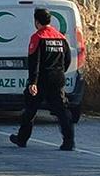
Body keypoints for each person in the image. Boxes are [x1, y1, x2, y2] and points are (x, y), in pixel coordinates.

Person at [10, 8, 75, 151]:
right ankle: (69, 141)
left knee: (30, 110)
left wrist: (33, 82)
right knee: (62, 111)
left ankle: (22, 139)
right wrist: (59, 72)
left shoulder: (38, 37)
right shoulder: (60, 37)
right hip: (57, 78)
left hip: (41, 80)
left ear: (37, 21)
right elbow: (68, 59)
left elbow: (35, 62)